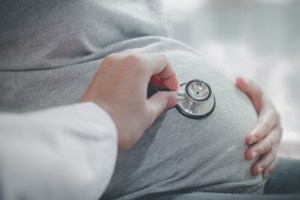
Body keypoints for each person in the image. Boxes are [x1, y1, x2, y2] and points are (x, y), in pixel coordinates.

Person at [0, 0, 299, 200]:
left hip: (249, 166)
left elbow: (143, 43)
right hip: (157, 187)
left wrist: (240, 100)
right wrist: (101, 120)